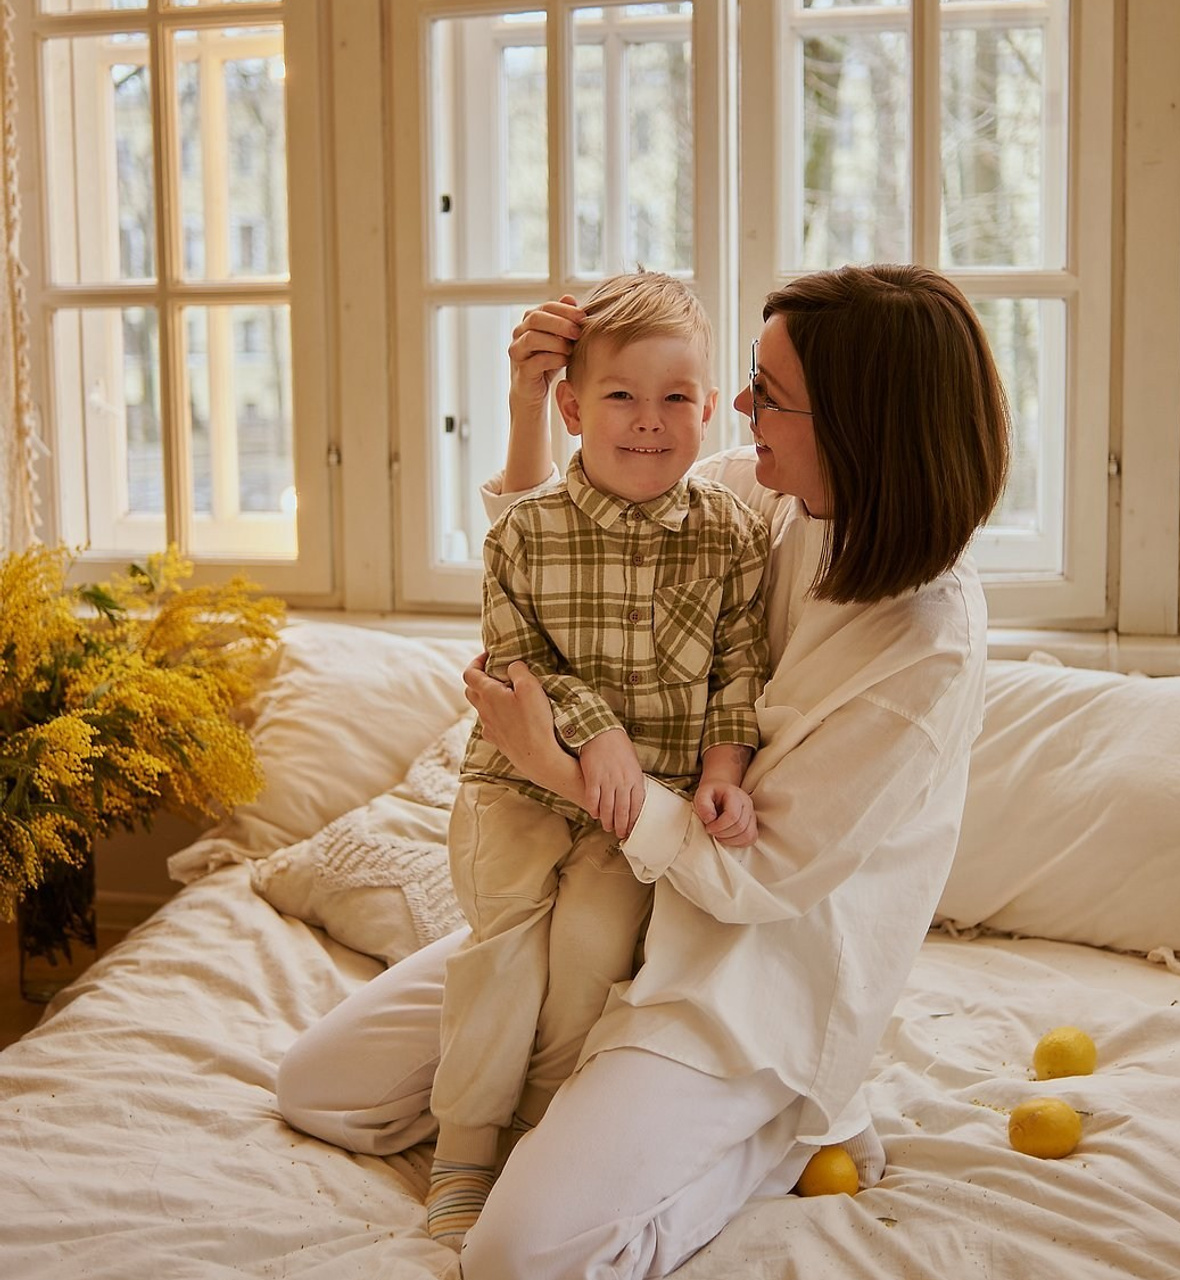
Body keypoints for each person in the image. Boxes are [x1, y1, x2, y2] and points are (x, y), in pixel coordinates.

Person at [276, 262, 1011, 1280]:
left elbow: (754, 879)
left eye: (766, 393)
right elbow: (557, 556)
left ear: (855, 424)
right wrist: (528, 403)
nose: (735, 409)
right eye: (746, 379)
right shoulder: (752, 494)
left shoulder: (920, 645)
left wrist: (564, 766)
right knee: (320, 1087)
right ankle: (569, 1071)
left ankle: (776, 1129)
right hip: (611, 892)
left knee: (515, 1259)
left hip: (741, 977)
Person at [424, 269, 772, 1248]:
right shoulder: (524, 529)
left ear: (709, 408)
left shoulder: (732, 536)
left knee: (589, 951)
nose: (649, 422)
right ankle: (462, 1142)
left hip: (636, 810)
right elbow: (513, 653)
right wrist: (595, 728)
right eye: (621, 395)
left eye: (675, 399)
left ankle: (539, 1129)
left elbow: (739, 668)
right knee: (501, 951)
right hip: (517, 787)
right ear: (571, 407)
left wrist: (721, 771)